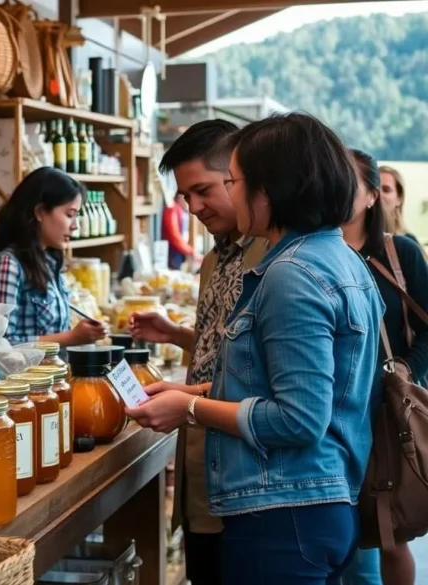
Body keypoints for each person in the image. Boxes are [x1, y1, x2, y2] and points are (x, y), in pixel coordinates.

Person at [127, 113, 384, 585]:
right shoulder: (339, 257)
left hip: (285, 510)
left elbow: (299, 418)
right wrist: (198, 388)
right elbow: (279, 377)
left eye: (233, 181)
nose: (230, 193)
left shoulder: (290, 273)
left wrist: (191, 406)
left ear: (271, 188)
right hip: (321, 498)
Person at [130, 118, 265, 585]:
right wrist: (173, 333)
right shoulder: (215, 258)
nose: (194, 207)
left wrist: (186, 402)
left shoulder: (270, 262)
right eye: (186, 197)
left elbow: (265, 380)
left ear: (238, 175)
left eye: (204, 190)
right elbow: (226, 349)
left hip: (248, 480)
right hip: (200, 472)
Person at [340, 151, 428, 585]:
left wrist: (407, 370)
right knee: (342, 528)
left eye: (348, 180)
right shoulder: (316, 251)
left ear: (374, 196)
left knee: (391, 531)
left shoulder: (400, 252)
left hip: (386, 410)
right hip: (335, 410)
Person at [0, 166, 107, 346]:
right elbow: (0, 345)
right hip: (24, 374)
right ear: (39, 212)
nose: (74, 226)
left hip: (55, 371)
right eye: (70, 215)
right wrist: (71, 338)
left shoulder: (49, 261)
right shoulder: (7, 266)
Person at [378, 165, 416, 243]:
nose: (378, 194)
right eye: (374, 188)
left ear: (399, 198)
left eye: (386, 190)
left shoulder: (409, 244)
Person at [162, 193, 198, 269]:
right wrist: (189, 250)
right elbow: (174, 235)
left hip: (179, 251)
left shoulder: (180, 210)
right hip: (173, 253)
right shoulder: (172, 209)